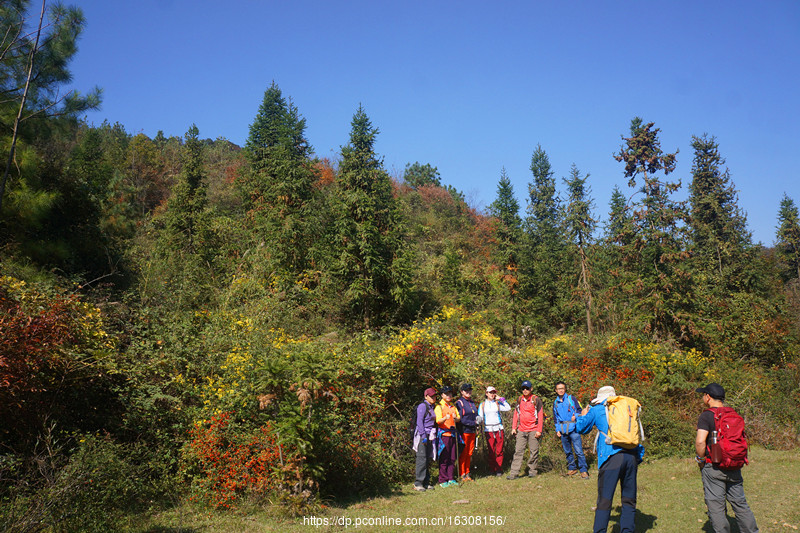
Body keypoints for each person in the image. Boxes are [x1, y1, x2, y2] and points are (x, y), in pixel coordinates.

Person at [575, 385, 645, 533]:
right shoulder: (627, 409)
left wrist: (582, 414)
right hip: (631, 456)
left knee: (605, 500)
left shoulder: (597, 409)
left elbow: (581, 428)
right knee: (628, 499)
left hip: (610, 457)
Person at [695, 383, 759, 533]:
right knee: (740, 503)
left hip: (714, 466)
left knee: (716, 505)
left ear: (708, 396)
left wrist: (701, 459)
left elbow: (700, 441)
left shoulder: (706, 415)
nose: (703, 397)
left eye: (703, 394)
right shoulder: (733, 414)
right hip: (735, 465)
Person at [507, 380, 544, 479]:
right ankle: (514, 473)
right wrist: (514, 427)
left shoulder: (536, 399)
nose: (525, 390)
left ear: (531, 389)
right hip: (521, 430)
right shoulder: (519, 400)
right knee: (518, 451)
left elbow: (540, 415)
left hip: (533, 429)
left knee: (534, 451)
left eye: (527, 388)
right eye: (523, 388)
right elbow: (516, 414)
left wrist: (539, 430)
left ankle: (532, 471)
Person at [553, 381, 589, 479]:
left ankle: (583, 470)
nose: (560, 390)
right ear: (556, 390)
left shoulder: (571, 399)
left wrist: (576, 416)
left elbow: (579, 410)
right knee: (567, 451)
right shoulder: (555, 402)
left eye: (562, 388)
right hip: (563, 430)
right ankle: (572, 468)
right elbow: (555, 417)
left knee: (578, 451)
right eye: (558, 389)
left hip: (573, 428)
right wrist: (557, 430)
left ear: (565, 389)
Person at [478, 385, 511, 476]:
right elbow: (480, 417)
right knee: (491, 451)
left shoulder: (497, 403)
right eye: (490, 392)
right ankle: (492, 468)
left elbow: (508, 408)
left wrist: (501, 399)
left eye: (494, 392)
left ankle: (499, 469)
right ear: (486, 393)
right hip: (488, 429)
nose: (492, 394)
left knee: (499, 450)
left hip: (499, 429)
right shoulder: (483, 405)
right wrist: (478, 421)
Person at [435, 385, 461, 487]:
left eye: (450, 393)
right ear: (442, 395)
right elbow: (438, 421)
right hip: (444, 435)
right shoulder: (439, 407)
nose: (449, 395)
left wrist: (456, 418)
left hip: (453, 434)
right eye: (446, 393)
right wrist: (445, 418)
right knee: (444, 458)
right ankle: (442, 479)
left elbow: (458, 418)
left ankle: (451, 478)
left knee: (452, 457)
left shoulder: (453, 406)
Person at [412, 387, 437, 492]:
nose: (433, 398)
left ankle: (426, 482)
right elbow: (419, 422)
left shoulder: (432, 407)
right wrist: (423, 436)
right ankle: (418, 483)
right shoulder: (423, 406)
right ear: (426, 396)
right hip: (423, 435)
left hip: (430, 434)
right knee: (421, 458)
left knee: (427, 458)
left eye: (434, 395)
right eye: (431, 396)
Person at [455, 383, 479, 480]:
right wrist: (472, 423)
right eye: (466, 390)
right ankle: (462, 473)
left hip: (472, 430)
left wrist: (477, 422)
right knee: (464, 452)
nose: (468, 392)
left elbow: (474, 415)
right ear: (462, 392)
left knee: (469, 452)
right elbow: (460, 418)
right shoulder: (459, 403)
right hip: (464, 430)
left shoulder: (472, 402)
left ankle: (467, 472)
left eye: (470, 390)